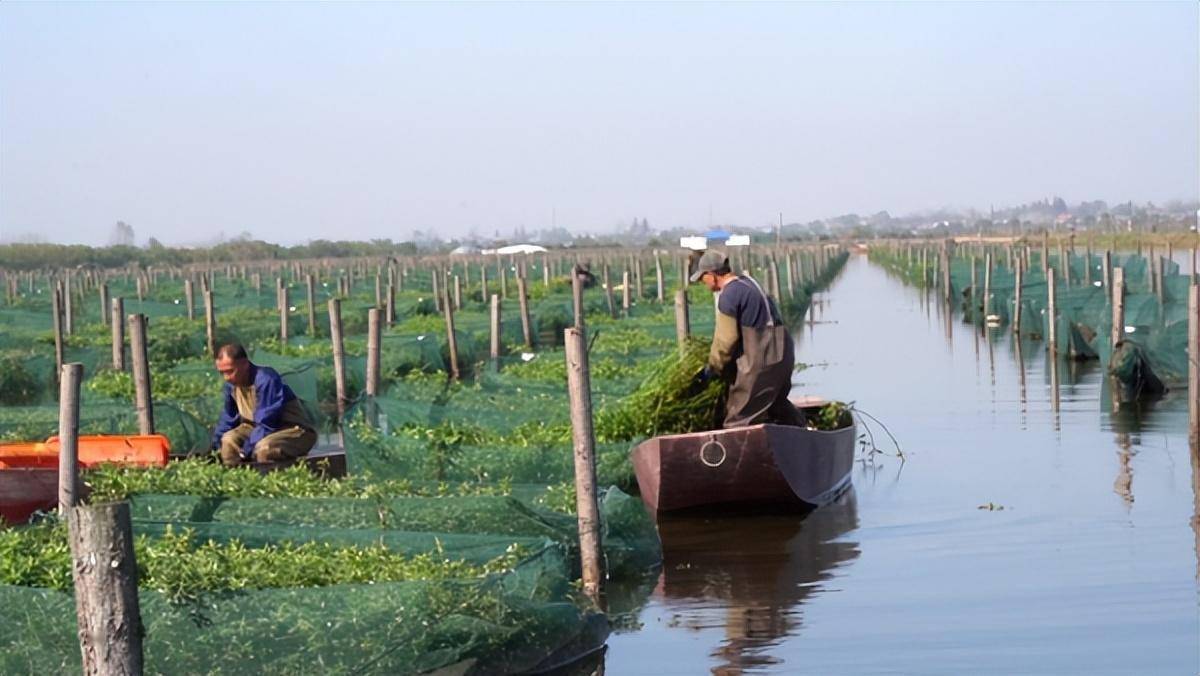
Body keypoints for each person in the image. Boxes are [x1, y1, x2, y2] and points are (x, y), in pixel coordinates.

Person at [691, 250, 806, 429]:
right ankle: (806, 436)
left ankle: (743, 455)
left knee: (739, 419)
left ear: (712, 275)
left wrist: (712, 368)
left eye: (702, 278)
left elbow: (726, 341)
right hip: (783, 354)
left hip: (761, 360)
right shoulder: (750, 283)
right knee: (777, 405)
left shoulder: (729, 295)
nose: (703, 283)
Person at [210, 343, 317, 467]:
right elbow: (228, 419)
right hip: (256, 429)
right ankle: (235, 480)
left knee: (264, 449)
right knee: (228, 440)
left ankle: (269, 482)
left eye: (230, 371)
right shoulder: (231, 386)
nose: (226, 377)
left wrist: (246, 449)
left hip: (292, 430)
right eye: (222, 373)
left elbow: (267, 421)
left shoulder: (266, 379)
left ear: (244, 364)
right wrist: (214, 448)